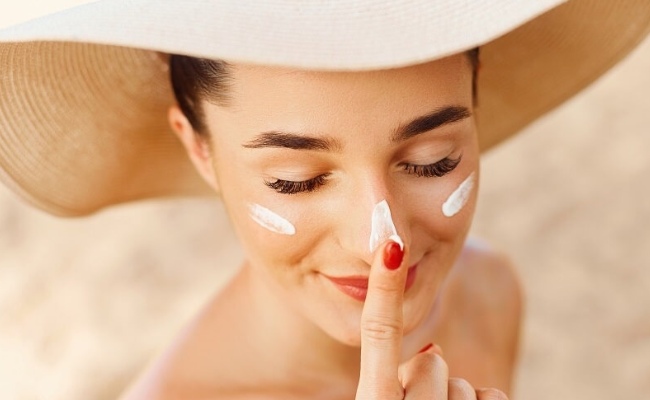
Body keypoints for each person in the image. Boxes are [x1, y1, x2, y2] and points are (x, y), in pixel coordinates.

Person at [0, 1, 648, 399]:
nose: (380, 241)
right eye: (297, 180)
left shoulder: (486, 293)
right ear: (198, 147)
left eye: (433, 161)